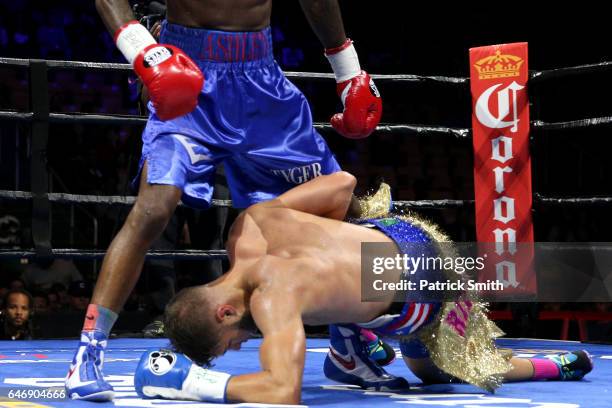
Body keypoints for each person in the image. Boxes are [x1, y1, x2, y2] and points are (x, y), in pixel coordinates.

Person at [67, 0, 387, 401]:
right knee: (154, 207)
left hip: (261, 81)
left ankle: (346, 348)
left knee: (337, 202)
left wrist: (348, 70)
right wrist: (142, 48)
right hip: (188, 72)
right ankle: (89, 351)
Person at [133, 172, 593, 404]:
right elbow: (343, 185)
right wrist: (347, 243)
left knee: (435, 371)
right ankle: (353, 344)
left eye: (229, 342)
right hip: (405, 230)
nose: (241, 343)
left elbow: (283, 391)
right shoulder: (248, 226)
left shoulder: (272, 296)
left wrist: (194, 382)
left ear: (223, 313)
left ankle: (546, 368)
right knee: (333, 295)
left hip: (427, 284)